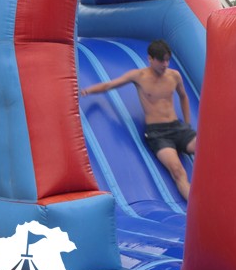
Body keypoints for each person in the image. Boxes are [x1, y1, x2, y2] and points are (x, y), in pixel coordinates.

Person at [80, 39, 196, 200]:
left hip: (178, 128)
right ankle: (197, 208)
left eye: (167, 60)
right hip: (158, 135)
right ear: (150, 59)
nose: (165, 65)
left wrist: (188, 124)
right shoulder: (139, 76)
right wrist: (87, 91)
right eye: (161, 61)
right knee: (178, 171)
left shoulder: (174, 76)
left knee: (207, 151)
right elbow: (110, 85)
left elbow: (183, 97)